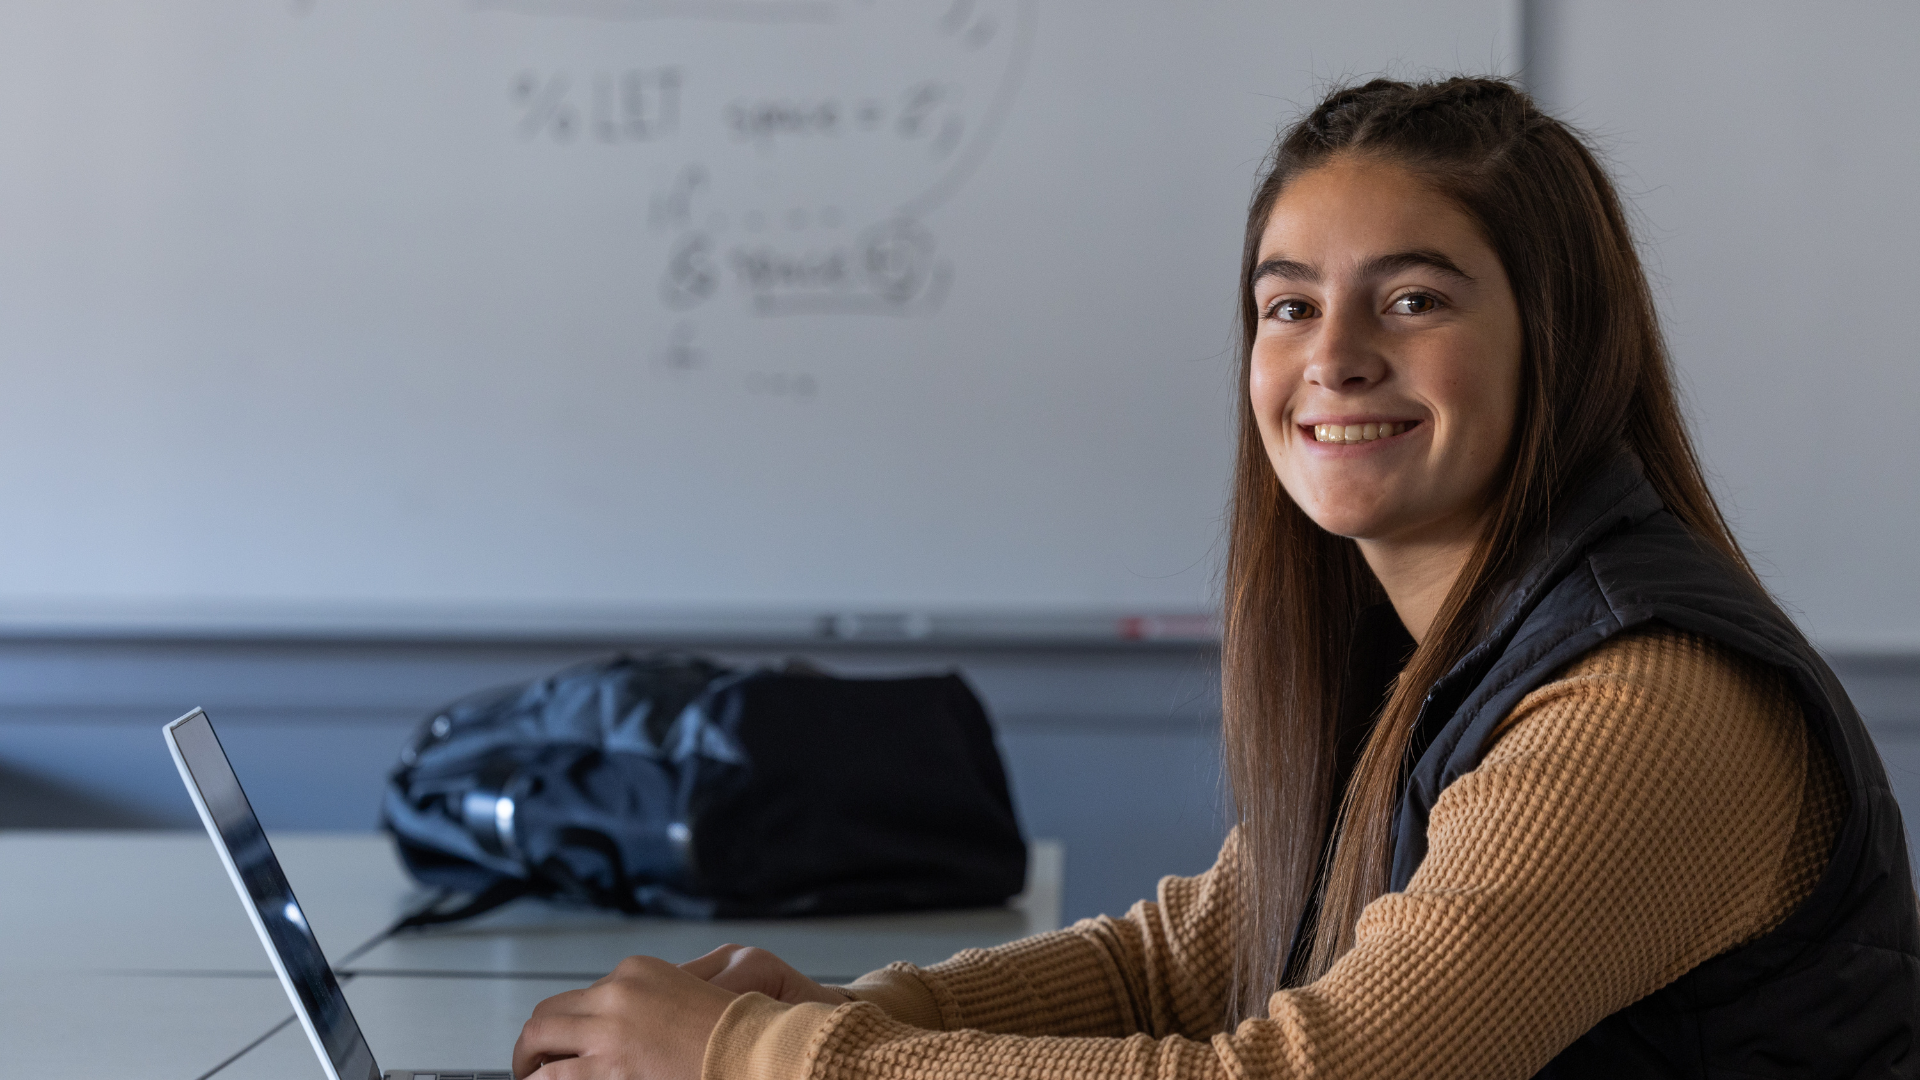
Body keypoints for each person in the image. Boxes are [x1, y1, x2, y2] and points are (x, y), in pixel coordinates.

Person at [507, 76, 1920, 1080]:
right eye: (1288, 305)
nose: (1334, 355)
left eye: (1414, 298)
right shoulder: (1441, 656)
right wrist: (840, 1008)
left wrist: (773, 1057)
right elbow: (1178, 966)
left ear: (1560, 338)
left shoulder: (1642, 704)